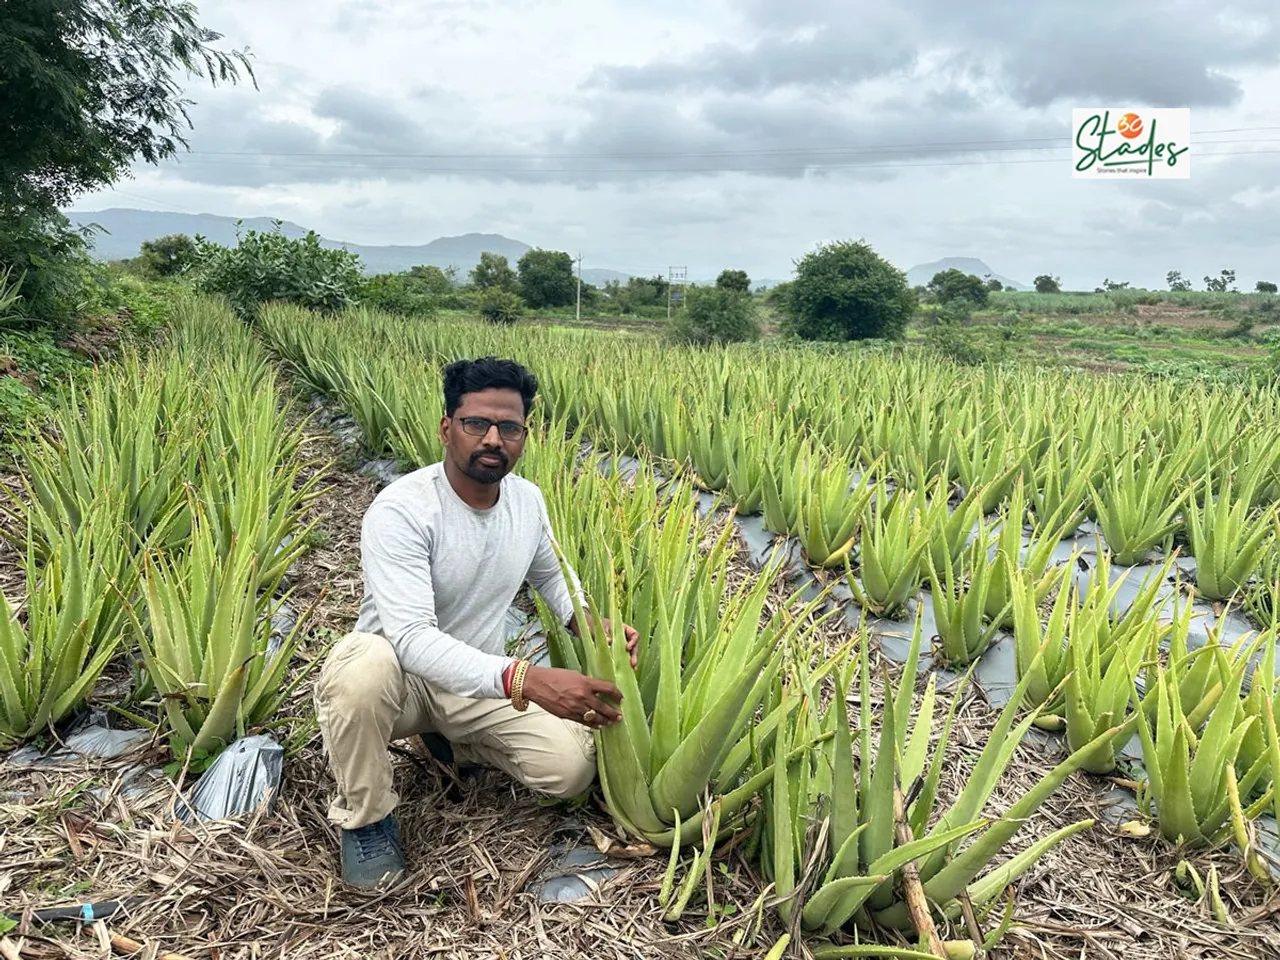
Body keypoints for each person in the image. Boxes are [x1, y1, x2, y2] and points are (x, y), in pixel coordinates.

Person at [314, 356, 638, 888]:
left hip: (474, 679)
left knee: (569, 770)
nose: (493, 439)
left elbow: (553, 578)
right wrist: (525, 679)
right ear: (447, 429)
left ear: (524, 437)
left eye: (509, 428)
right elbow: (413, 639)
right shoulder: (403, 509)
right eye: (476, 424)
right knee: (360, 665)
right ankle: (366, 818)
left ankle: (450, 743)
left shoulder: (527, 501)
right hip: (400, 682)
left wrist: (589, 624)